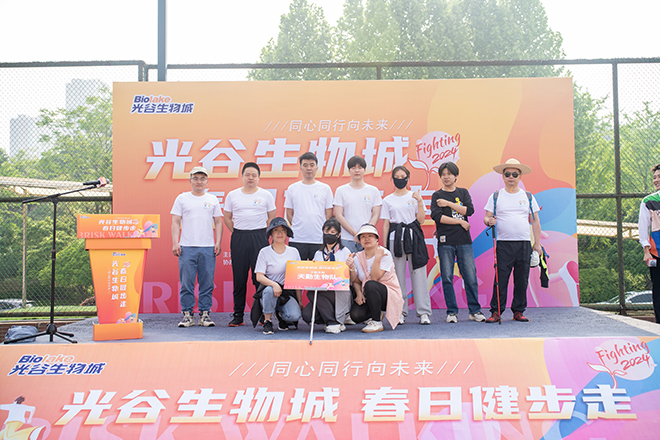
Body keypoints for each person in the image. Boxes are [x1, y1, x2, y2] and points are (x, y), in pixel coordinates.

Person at [483, 158, 542, 323]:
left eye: (514, 174)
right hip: (503, 244)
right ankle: (496, 311)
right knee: (500, 279)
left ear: (520, 176)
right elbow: (486, 217)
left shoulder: (528, 196)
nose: (511, 177)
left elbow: (535, 221)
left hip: (524, 243)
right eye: (507, 174)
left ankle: (518, 311)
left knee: (522, 279)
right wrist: (489, 221)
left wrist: (537, 244)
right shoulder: (496, 196)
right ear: (503, 176)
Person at [430, 162, 485, 323]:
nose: (446, 177)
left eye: (449, 174)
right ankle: (452, 312)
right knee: (447, 277)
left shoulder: (462, 192)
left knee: (470, 277)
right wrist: (460, 222)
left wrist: (448, 204)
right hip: (445, 241)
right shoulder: (436, 195)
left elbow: (469, 210)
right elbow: (438, 217)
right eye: (443, 174)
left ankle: (474, 311)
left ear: (456, 176)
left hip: (464, 241)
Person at [223, 162, 276, 327]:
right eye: (247, 174)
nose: (251, 178)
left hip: (259, 237)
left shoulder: (266, 195)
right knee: (239, 278)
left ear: (259, 177)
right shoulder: (233, 195)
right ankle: (238, 315)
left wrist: (261, 234)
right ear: (242, 176)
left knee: (259, 278)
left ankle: (262, 315)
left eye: (254, 175)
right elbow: (227, 217)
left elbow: (271, 218)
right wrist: (238, 232)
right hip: (239, 237)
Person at [171, 166, 223, 328]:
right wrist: (175, 242)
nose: (199, 182)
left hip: (208, 247)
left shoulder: (212, 199)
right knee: (186, 283)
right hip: (187, 247)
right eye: (195, 178)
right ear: (190, 180)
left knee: (207, 283)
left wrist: (218, 242)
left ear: (207, 181)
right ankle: (187, 315)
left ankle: (204, 314)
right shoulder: (182, 198)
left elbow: (219, 221)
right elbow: (175, 221)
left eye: (202, 179)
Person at [381, 165, 432, 325]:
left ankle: (423, 312)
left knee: (419, 274)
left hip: (414, 237)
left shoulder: (414, 196)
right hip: (395, 239)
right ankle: (400, 312)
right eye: (397, 177)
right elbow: (386, 224)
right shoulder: (387, 200)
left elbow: (421, 220)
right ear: (392, 179)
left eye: (403, 177)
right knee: (397, 277)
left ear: (408, 179)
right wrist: (384, 248)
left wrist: (420, 201)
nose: (400, 179)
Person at [346, 223, 404, 333]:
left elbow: (374, 278)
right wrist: (359, 293)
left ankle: (377, 322)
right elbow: (356, 280)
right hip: (369, 293)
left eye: (370, 236)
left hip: (388, 295)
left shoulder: (385, 254)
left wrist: (377, 257)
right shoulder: (358, 257)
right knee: (356, 315)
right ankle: (377, 313)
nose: (366, 239)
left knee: (370, 284)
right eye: (363, 236)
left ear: (377, 239)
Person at [302, 217, 352, 333]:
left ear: (339, 234)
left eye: (333, 232)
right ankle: (334, 321)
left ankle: (331, 322)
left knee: (312, 294)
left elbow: (351, 279)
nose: (329, 234)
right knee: (307, 315)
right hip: (322, 291)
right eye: (326, 231)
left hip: (339, 292)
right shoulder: (318, 253)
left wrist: (351, 267)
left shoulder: (345, 252)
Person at [253, 217, 303, 335]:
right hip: (268, 291)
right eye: (276, 230)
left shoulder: (294, 251)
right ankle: (267, 321)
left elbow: (297, 278)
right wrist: (274, 284)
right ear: (271, 233)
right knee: (270, 290)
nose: (280, 233)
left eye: (283, 230)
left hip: (285, 293)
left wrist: (300, 301)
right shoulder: (264, 252)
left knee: (294, 316)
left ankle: (280, 315)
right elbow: (259, 276)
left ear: (287, 234)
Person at [284, 152, 334, 260]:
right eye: (305, 165)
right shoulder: (292, 188)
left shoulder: (325, 188)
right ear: (300, 168)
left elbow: (329, 215)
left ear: (316, 168)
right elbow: (289, 214)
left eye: (312, 165)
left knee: (318, 270)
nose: (309, 168)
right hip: (297, 238)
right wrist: (298, 226)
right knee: (297, 269)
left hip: (318, 238)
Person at [333, 155, 382, 253]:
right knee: (347, 263)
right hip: (347, 239)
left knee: (367, 263)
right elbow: (339, 215)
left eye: (360, 168)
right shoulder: (341, 190)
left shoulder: (373, 190)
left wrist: (364, 234)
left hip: (368, 239)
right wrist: (355, 234)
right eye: (353, 168)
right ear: (349, 170)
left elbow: (376, 215)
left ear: (364, 170)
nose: (356, 170)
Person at [638, 163, 660, 323]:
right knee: (658, 290)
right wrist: (646, 250)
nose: (656, 180)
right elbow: (643, 226)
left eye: (659, 177)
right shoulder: (649, 201)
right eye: (654, 177)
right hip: (656, 252)